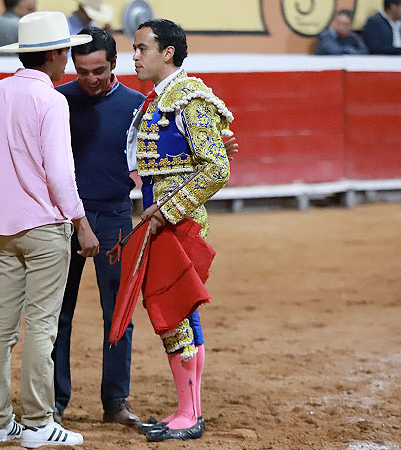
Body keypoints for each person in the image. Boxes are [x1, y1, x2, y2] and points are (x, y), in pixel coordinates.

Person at [0, 11, 99, 449]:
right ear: (55, 54)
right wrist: (81, 222)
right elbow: (58, 172)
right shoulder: (51, 101)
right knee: (41, 326)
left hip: (4, 230)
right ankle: (38, 422)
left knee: (3, 324)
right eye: (68, 52)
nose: (69, 60)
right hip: (45, 229)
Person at [126, 18, 233, 442]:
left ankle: (191, 415)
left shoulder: (189, 98)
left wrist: (167, 212)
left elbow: (216, 167)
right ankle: (189, 409)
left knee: (174, 315)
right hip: (165, 221)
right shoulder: (159, 99)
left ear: (167, 52)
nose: (134, 56)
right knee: (182, 314)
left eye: (141, 48)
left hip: (179, 223)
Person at [51, 27, 144, 428]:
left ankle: (115, 402)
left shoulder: (138, 106)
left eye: (99, 71)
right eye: (83, 70)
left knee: (118, 313)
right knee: (56, 314)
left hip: (114, 217)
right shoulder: (57, 101)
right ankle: (53, 402)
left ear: (114, 64)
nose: (90, 79)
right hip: (62, 218)